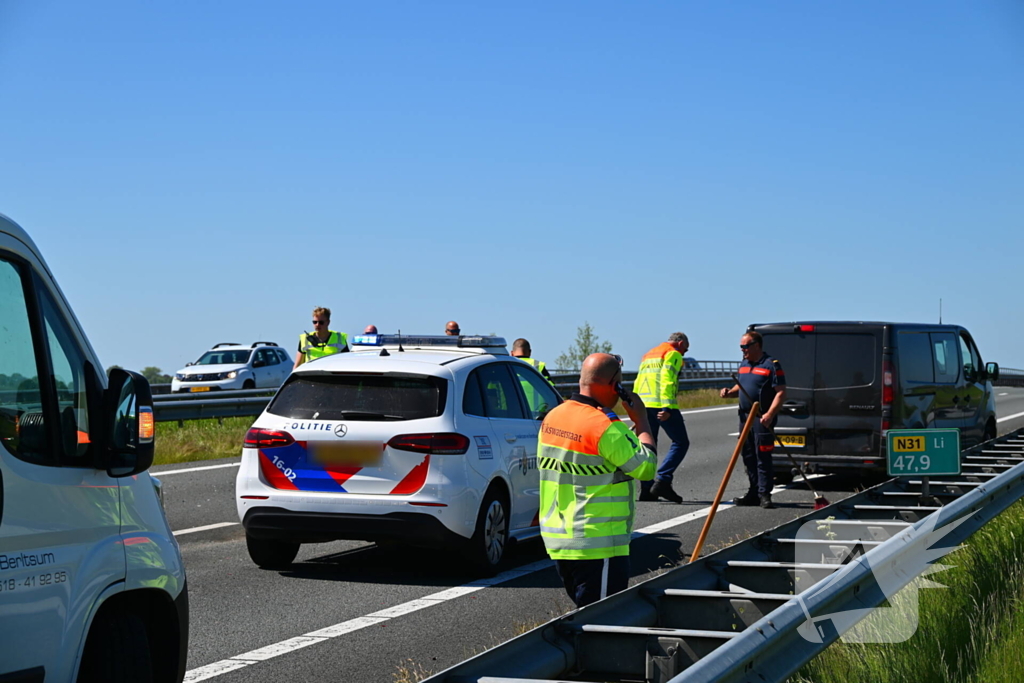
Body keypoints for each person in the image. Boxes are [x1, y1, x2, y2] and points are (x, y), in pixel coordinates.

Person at [537, 353, 657, 608]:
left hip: (560, 539)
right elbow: (646, 468)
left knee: (586, 617)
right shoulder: (604, 426)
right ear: (615, 385)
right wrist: (643, 422)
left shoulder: (553, 417)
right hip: (597, 543)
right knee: (603, 623)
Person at [720, 330, 787, 508]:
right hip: (744, 417)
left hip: (761, 417)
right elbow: (740, 386)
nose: (743, 350)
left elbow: (780, 392)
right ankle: (753, 491)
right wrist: (729, 392)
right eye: (741, 347)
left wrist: (769, 415)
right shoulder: (744, 364)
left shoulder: (771, 365)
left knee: (762, 455)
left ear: (756, 345)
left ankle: (764, 494)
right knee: (748, 455)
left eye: (745, 346)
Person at [633, 332, 691, 504]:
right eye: (685, 350)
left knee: (649, 445)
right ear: (680, 343)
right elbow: (668, 380)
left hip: (644, 405)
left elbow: (638, 380)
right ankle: (663, 480)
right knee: (681, 442)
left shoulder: (649, 354)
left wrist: (635, 405)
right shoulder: (672, 353)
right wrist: (667, 407)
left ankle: (646, 490)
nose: (684, 354)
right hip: (662, 405)